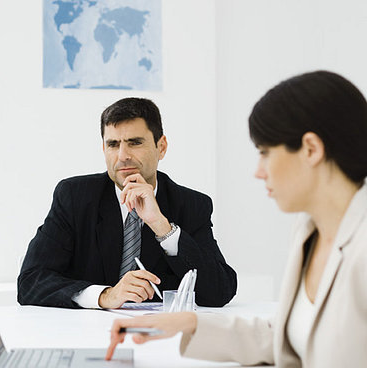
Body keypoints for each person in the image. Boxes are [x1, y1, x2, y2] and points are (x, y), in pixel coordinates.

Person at [106, 71, 367, 367]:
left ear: (311, 149)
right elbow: (287, 338)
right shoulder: (310, 232)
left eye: (265, 153)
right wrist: (187, 324)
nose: (259, 171)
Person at [18, 97, 237, 309]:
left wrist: (162, 227)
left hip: (157, 336)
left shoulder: (191, 205)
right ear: (104, 149)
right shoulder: (75, 197)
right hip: (87, 331)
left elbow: (219, 291)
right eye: (113, 144)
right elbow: (30, 282)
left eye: (135, 143)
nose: (123, 156)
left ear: (161, 147)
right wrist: (105, 295)